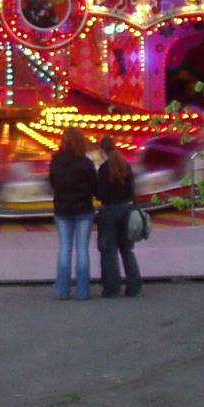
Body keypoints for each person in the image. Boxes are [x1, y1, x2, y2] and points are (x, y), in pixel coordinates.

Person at [48, 128, 97, 301]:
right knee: (82, 249)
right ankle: (83, 291)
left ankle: (62, 290)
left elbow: (53, 183)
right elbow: (94, 185)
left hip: (62, 209)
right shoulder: (86, 163)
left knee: (65, 248)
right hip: (83, 209)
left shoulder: (55, 161)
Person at [95, 137, 142, 298]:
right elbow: (132, 191)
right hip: (126, 210)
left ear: (102, 151)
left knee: (108, 251)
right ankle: (134, 286)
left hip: (109, 211)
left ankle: (112, 288)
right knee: (127, 250)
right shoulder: (126, 166)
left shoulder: (103, 169)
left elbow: (101, 194)